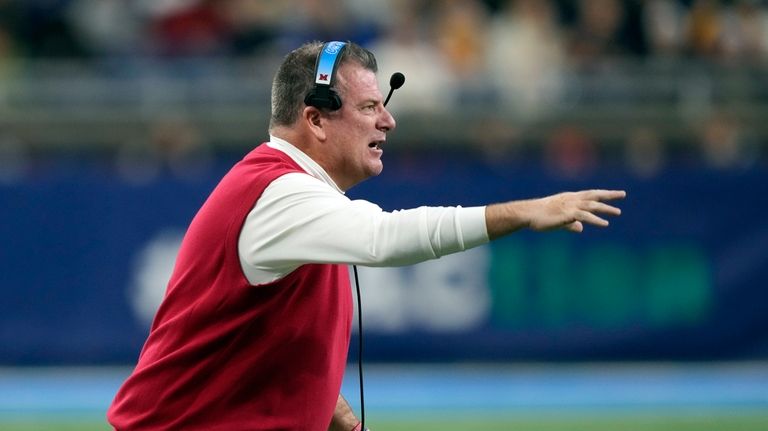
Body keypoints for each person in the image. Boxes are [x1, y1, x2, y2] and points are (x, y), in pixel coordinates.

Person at [107, 41, 625, 431]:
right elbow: (385, 237)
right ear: (315, 119)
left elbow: (244, 322)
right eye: (368, 107)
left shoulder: (290, 193)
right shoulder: (279, 193)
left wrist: (320, 399)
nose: (389, 120)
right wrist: (523, 213)